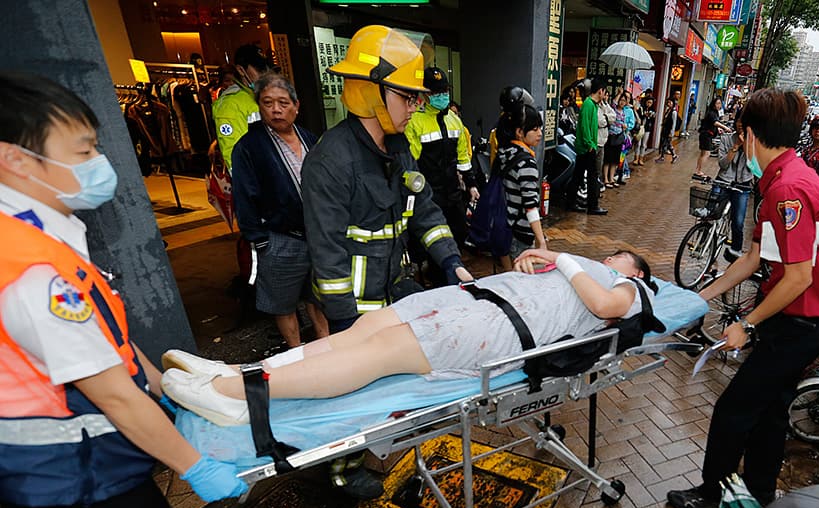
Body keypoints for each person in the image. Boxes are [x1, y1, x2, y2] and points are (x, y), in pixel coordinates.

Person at [0, 73, 246, 508]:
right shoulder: (33, 271)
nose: (98, 161)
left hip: (81, 466)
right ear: (16, 159)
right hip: (71, 475)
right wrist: (194, 466)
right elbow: (111, 392)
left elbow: (108, 345)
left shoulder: (42, 225)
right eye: (84, 150)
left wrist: (166, 385)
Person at [160, 249, 658, 426]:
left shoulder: (627, 286)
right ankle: (238, 371)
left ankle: (237, 397)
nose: (612, 257)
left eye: (620, 257)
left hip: (494, 329)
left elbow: (604, 307)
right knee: (366, 327)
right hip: (474, 298)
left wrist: (567, 259)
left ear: (633, 271)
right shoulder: (576, 270)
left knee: (382, 353)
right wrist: (538, 260)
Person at [298, 25, 472, 498]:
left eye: (418, 98)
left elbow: (425, 211)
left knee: (393, 384)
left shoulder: (396, 149)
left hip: (394, 293)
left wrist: (452, 261)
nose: (416, 106)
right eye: (407, 97)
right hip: (355, 309)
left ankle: (383, 444)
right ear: (370, 90)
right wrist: (346, 324)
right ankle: (341, 468)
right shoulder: (330, 162)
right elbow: (327, 253)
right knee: (356, 393)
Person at [667, 89, 819, 508]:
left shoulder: (789, 191)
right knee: (771, 409)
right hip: (798, 317)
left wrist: (746, 324)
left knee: (734, 409)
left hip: (801, 321)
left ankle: (713, 492)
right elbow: (753, 259)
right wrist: (699, 296)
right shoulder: (783, 180)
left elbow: (799, 277)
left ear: (749, 134)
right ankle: (761, 491)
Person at [231, 72, 330, 348]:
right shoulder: (249, 147)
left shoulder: (310, 138)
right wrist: (259, 239)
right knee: (282, 302)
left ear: (296, 106)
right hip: (279, 237)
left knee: (319, 295)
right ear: (259, 106)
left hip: (317, 234)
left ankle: (324, 342)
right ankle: (296, 351)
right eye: (268, 102)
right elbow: (243, 196)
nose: (276, 109)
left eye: (283, 103)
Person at [405, 66, 478, 255]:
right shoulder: (414, 121)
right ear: (426, 94)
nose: (442, 95)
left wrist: (471, 184)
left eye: (445, 90)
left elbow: (463, 156)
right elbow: (410, 163)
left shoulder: (454, 120)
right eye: (436, 92)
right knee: (434, 245)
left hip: (453, 194)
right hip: (429, 196)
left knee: (459, 236)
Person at [495, 102, 547, 269]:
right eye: (534, 129)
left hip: (505, 227)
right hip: (521, 233)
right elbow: (530, 206)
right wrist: (541, 241)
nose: (540, 133)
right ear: (519, 132)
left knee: (509, 278)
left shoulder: (504, 153)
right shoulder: (526, 163)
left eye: (540, 127)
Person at [212, 44, 269, 171]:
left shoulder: (263, 95)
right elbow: (234, 157)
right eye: (259, 69)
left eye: (266, 68)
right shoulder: (230, 105)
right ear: (241, 70)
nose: (265, 74)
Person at [565, 78, 608, 215]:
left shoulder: (592, 105)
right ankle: (593, 206)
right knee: (592, 176)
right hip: (587, 147)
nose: (605, 95)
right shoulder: (589, 105)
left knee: (578, 175)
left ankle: (571, 203)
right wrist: (590, 144)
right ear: (600, 91)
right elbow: (584, 126)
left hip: (587, 146)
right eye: (604, 92)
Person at [714, 116, 754, 260]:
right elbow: (723, 164)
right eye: (739, 122)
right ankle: (704, 240)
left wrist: (746, 147)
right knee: (710, 213)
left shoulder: (754, 143)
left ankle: (736, 251)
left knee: (737, 221)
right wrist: (735, 146)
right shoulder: (726, 139)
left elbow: (753, 167)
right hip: (724, 180)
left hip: (742, 184)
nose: (740, 125)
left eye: (744, 123)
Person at [695, 97, 730, 181]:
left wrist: (718, 129)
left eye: (720, 103)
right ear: (713, 104)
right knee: (706, 153)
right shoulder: (712, 113)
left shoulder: (714, 113)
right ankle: (698, 171)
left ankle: (698, 170)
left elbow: (712, 124)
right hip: (706, 135)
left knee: (703, 153)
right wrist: (725, 128)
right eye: (717, 103)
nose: (719, 105)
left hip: (706, 135)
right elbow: (715, 122)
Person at [600, 92, 622, 189]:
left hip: (619, 137)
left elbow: (612, 117)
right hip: (608, 137)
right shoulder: (610, 107)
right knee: (607, 159)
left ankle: (611, 178)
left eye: (607, 95)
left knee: (614, 160)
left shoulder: (608, 107)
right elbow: (604, 120)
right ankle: (605, 179)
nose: (606, 97)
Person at [656, 99, 678, 163]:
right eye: (668, 102)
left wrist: (672, 132)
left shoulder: (674, 112)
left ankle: (668, 156)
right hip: (665, 129)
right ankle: (672, 156)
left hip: (668, 130)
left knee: (666, 144)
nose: (669, 104)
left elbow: (674, 123)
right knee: (666, 144)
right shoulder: (668, 110)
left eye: (670, 102)